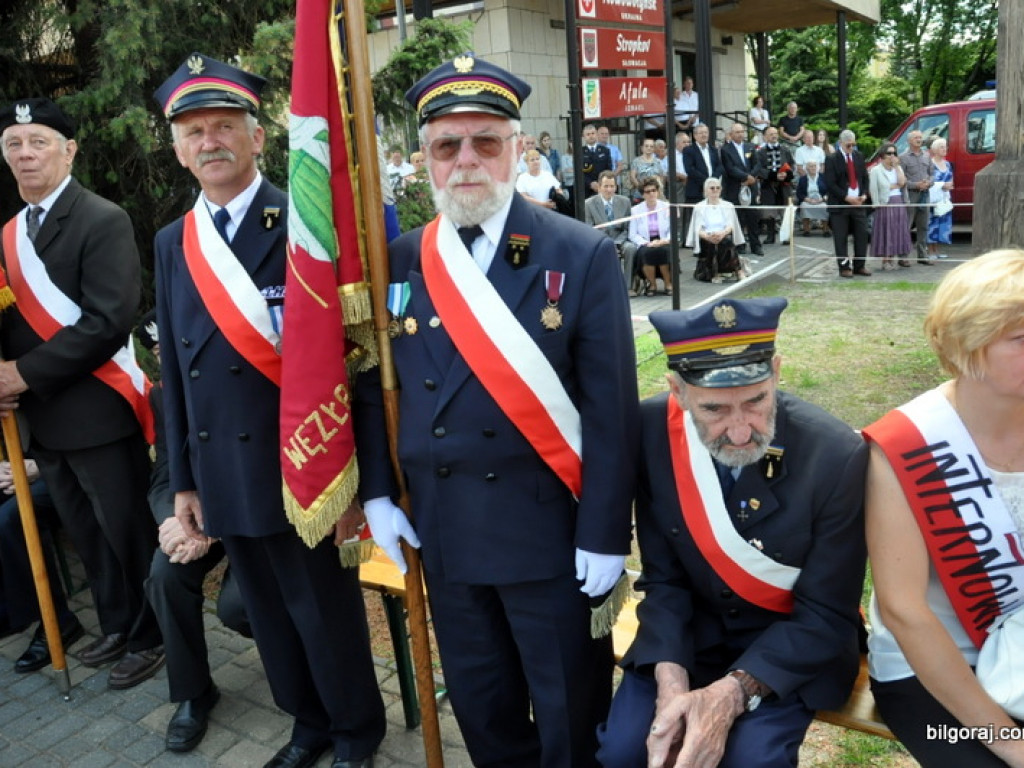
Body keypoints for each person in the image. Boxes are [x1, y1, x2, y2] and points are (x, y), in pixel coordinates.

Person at [359, 53, 639, 768]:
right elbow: (373, 382)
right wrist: (379, 493)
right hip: (444, 535)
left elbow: (611, 411)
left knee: (570, 713)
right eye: (446, 145)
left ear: (517, 147)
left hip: (548, 535)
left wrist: (606, 532)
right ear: (423, 159)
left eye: (486, 140)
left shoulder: (577, 254)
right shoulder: (401, 258)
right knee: (484, 711)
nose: (467, 160)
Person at [152, 53, 385, 768]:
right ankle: (306, 724)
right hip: (222, 468)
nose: (210, 141)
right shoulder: (172, 242)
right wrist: (182, 480)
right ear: (177, 147)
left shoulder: (308, 225)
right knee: (272, 619)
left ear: (259, 137)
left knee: (324, 615)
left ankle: (354, 732)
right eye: (193, 131)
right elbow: (174, 377)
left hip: (301, 463)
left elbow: (358, 359)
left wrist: (364, 480)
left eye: (225, 125)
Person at [597, 297, 868, 768]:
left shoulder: (836, 456)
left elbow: (827, 612)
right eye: (715, 409)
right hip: (688, 634)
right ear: (678, 391)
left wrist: (732, 693)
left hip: (791, 648)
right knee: (627, 751)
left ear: (777, 373)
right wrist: (671, 682)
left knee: (750, 760)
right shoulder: (651, 430)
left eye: (757, 401)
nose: (741, 430)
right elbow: (663, 578)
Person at [0, 97, 164, 689]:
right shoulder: (9, 234)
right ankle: (119, 624)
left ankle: (156, 634)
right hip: (45, 421)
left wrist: (23, 374)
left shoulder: (102, 218)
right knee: (88, 535)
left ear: (69, 150)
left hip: (98, 411)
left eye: (38, 141)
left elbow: (106, 320)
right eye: (14, 145)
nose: (25, 155)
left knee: (124, 529)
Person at [864, 249, 1024, 767]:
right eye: (1021, 339)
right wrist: (1011, 743)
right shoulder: (905, 447)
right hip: (928, 679)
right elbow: (905, 614)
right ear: (966, 346)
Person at [136, 310, 252, 754]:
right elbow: (164, 473)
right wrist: (173, 521)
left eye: (174, 346)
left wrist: (210, 524)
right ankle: (193, 692)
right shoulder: (164, 396)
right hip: (195, 519)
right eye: (160, 353)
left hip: (250, 516)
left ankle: (299, 661)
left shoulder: (241, 375)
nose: (169, 360)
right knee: (164, 578)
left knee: (238, 609)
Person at [0, 453, 84, 672]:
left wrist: (41, 466)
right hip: (20, 464)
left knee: (9, 519)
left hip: (65, 467)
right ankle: (9, 609)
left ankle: (58, 620)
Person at [823, 129, 871, 278]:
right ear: (840, 143)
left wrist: (863, 195)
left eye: (853, 144)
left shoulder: (859, 156)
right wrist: (846, 197)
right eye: (848, 145)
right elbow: (830, 183)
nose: (851, 148)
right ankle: (844, 267)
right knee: (841, 237)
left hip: (858, 203)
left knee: (862, 235)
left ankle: (859, 265)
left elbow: (864, 178)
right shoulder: (832, 159)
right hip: (840, 205)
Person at [585, 170, 638, 295]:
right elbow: (589, 229)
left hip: (620, 239)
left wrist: (618, 243)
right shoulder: (589, 204)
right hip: (600, 241)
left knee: (631, 248)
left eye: (612, 186)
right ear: (599, 187)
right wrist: (608, 244)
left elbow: (627, 228)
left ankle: (627, 287)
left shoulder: (625, 202)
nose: (609, 190)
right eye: (606, 186)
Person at [686, 177, 748, 283]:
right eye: (712, 188)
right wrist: (708, 236)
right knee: (710, 244)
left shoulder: (728, 205)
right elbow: (697, 229)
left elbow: (730, 225)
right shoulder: (699, 207)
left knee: (727, 242)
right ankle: (713, 273)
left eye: (717, 188)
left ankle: (739, 270)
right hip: (706, 236)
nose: (715, 190)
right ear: (706, 191)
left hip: (723, 234)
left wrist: (722, 233)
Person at [720, 122, 764, 256]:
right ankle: (740, 245)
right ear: (731, 134)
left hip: (751, 187)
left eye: (742, 132)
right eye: (737, 132)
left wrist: (751, 177)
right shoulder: (725, 149)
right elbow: (730, 168)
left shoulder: (750, 147)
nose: (740, 134)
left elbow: (757, 164)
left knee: (753, 217)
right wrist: (745, 177)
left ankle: (756, 245)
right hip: (735, 187)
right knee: (738, 218)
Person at [868, 142, 912, 270]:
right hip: (885, 203)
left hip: (898, 201)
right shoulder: (876, 170)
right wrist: (891, 187)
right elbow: (875, 189)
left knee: (898, 230)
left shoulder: (897, 168)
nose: (892, 156)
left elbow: (902, 182)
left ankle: (896, 258)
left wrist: (897, 167)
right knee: (886, 231)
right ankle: (886, 260)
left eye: (894, 153)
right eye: (889, 153)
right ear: (882, 155)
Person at [629, 177, 674, 296]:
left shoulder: (666, 206)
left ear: (658, 191)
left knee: (663, 251)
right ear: (643, 194)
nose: (651, 194)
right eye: (647, 192)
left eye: (654, 190)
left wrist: (663, 240)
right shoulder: (635, 210)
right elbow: (632, 234)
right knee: (646, 253)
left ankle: (668, 284)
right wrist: (646, 243)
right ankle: (652, 284)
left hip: (663, 240)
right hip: (645, 242)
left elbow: (672, 229)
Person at [899, 129, 934, 266]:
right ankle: (903, 256)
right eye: (916, 138)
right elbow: (901, 180)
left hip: (925, 195)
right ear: (909, 141)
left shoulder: (927, 156)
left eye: (920, 137)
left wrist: (928, 183)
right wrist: (915, 185)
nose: (919, 139)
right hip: (911, 196)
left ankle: (922, 255)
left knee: (923, 226)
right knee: (906, 226)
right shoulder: (903, 158)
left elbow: (932, 174)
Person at [755, 127, 794, 245]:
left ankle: (786, 236)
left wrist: (786, 174)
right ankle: (770, 235)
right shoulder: (760, 152)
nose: (774, 136)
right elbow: (758, 169)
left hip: (784, 185)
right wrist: (773, 175)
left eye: (775, 133)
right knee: (769, 211)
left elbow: (791, 164)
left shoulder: (785, 149)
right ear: (765, 136)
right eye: (771, 134)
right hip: (768, 184)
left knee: (785, 210)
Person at [926, 137, 954, 260]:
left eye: (945, 146)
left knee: (942, 225)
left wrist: (949, 185)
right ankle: (930, 251)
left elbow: (951, 178)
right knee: (932, 225)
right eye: (942, 147)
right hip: (933, 201)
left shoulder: (947, 164)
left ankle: (937, 251)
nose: (945, 149)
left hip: (944, 200)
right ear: (935, 150)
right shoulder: (930, 164)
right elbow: (929, 182)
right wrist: (942, 185)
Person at [795, 159, 829, 237]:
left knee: (825, 207)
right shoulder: (803, 179)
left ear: (817, 167)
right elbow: (799, 193)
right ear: (806, 168)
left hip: (821, 200)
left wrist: (822, 199)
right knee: (804, 206)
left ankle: (825, 230)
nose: (813, 168)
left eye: (814, 166)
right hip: (808, 200)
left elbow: (829, 191)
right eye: (811, 166)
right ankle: (806, 230)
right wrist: (807, 199)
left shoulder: (823, 177)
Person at [581, 123, 612, 198]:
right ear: (584, 137)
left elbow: (608, 170)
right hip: (586, 189)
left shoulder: (605, 151)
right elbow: (579, 172)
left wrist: (601, 183)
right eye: (588, 134)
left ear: (596, 135)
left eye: (593, 133)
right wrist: (590, 183)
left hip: (603, 188)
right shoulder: (579, 152)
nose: (591, 136)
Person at [629, 138, 664, 203]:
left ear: (654, 148)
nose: (649, 148)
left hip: (654, 194)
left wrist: (657, 189)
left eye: (651, 146)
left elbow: (661, 177)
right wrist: (642, 188)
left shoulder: (658, 162)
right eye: (646, 146)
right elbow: (633, 177)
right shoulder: (636, 161)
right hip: (640, 195)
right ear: (642, 148)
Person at [670, 131, 691, 203]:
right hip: (678, 185)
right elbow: (669, 172)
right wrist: (684, 177)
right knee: (679, 209)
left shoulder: (692, 154)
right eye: (684, 142)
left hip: (692, 184)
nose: (687, 144)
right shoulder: (671, 155)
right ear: (677, 143)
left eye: (688, 142)